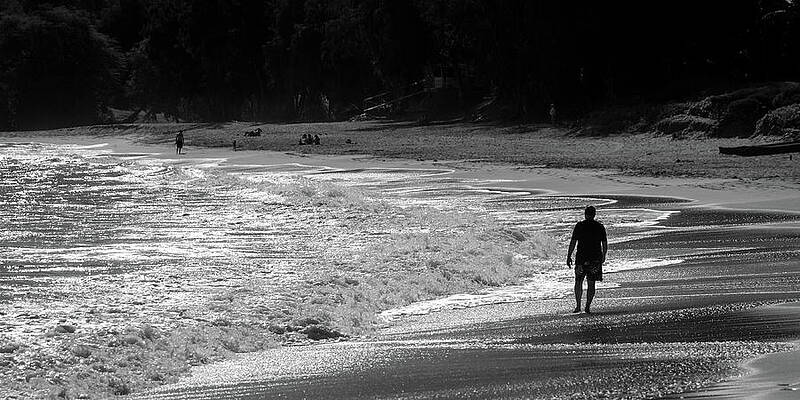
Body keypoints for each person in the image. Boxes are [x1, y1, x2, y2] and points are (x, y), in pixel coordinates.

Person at [566, 205, 607, 314]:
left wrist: (569, 255)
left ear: (585, 214)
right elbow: (604, 243)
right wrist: (604, 255)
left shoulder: (579, 226)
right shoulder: (599, 226)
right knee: (591, 283)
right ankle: (587, 306)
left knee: (578, 281)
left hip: (581, 258)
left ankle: (578, 306)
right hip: (595, 258)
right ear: (594, 214)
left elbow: (573, 242)